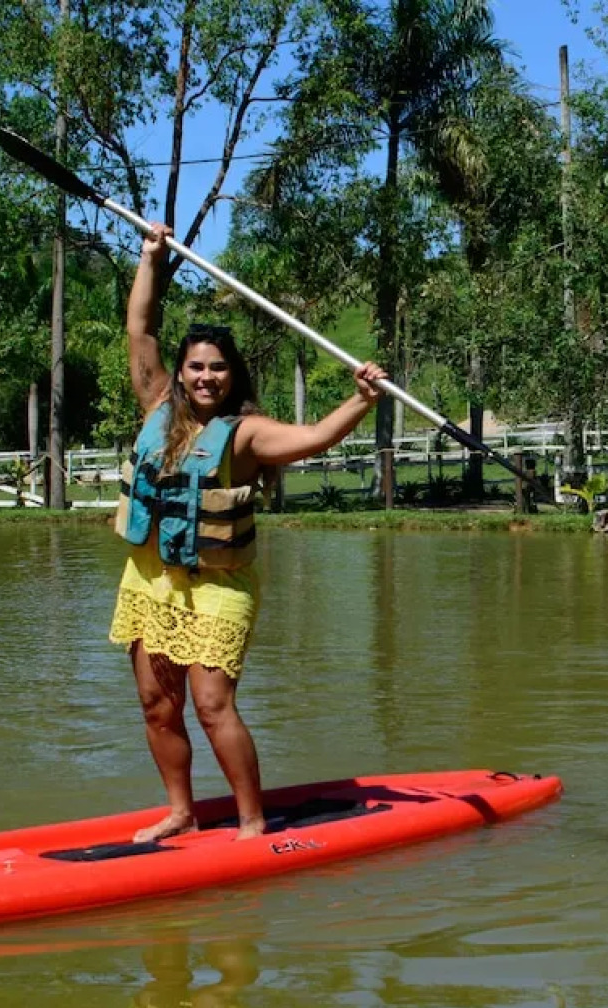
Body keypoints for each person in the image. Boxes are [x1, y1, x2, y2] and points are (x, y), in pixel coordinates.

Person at [109, 223, 386, 842]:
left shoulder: (246, 433)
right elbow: (140, 329)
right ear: (181, 373)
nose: (206, 377)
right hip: (150, 580)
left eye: (218, 368)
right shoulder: (156, 404)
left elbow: (314, 438)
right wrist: (151, 257)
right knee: (157, 705)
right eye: (196, 367)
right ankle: (180, 812)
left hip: (217, 587)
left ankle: (252, 821)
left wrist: (361, 400)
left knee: (213, 706)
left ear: (232, 375)